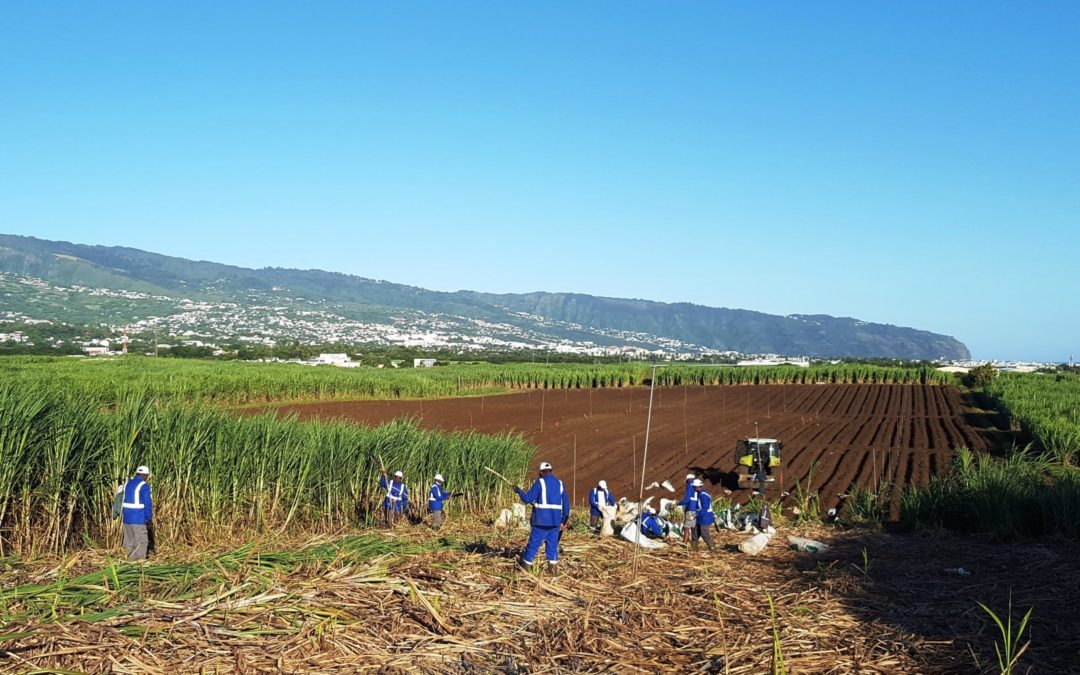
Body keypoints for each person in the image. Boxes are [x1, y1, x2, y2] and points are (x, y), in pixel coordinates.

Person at [514, 461, 570, 573]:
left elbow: (527, 499)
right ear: (550, 471)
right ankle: (553, 572)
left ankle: (525, 570)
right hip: (555, 523)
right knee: (552, 547)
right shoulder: (560, 484)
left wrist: (518, 491)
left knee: (533, 545)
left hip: (540, 522)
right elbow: (567, 506)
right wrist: (563, 521)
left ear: (540, 472)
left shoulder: (540, 482)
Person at [121, 465, 153, 560]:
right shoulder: (144, 486)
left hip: (126, 518)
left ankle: (131, 561)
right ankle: (140, 564)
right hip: (138, 518)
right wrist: (149, 518)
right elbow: (147, 503)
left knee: (130, 540)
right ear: (145, 475)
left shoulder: (127, 484)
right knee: (141, 541)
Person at [686, 479, 717, 552]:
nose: (693, 488)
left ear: (698, 487)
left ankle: (713, 549)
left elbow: (705, 508)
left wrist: (696, 514)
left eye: (694, 487)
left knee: (704, 534)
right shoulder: (699, 493)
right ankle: (694, 550)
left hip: (705, 517)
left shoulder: (703, 495)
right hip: (700, 517)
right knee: (695, 533)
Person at [681, 473, 697, 542]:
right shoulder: (697, 486)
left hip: (690, 509)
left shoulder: (689, 485)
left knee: (686, 527)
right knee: (693, 526)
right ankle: (694, 543)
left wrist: (679, 503)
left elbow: (687, 499)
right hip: (696, 509)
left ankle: (684, 543)